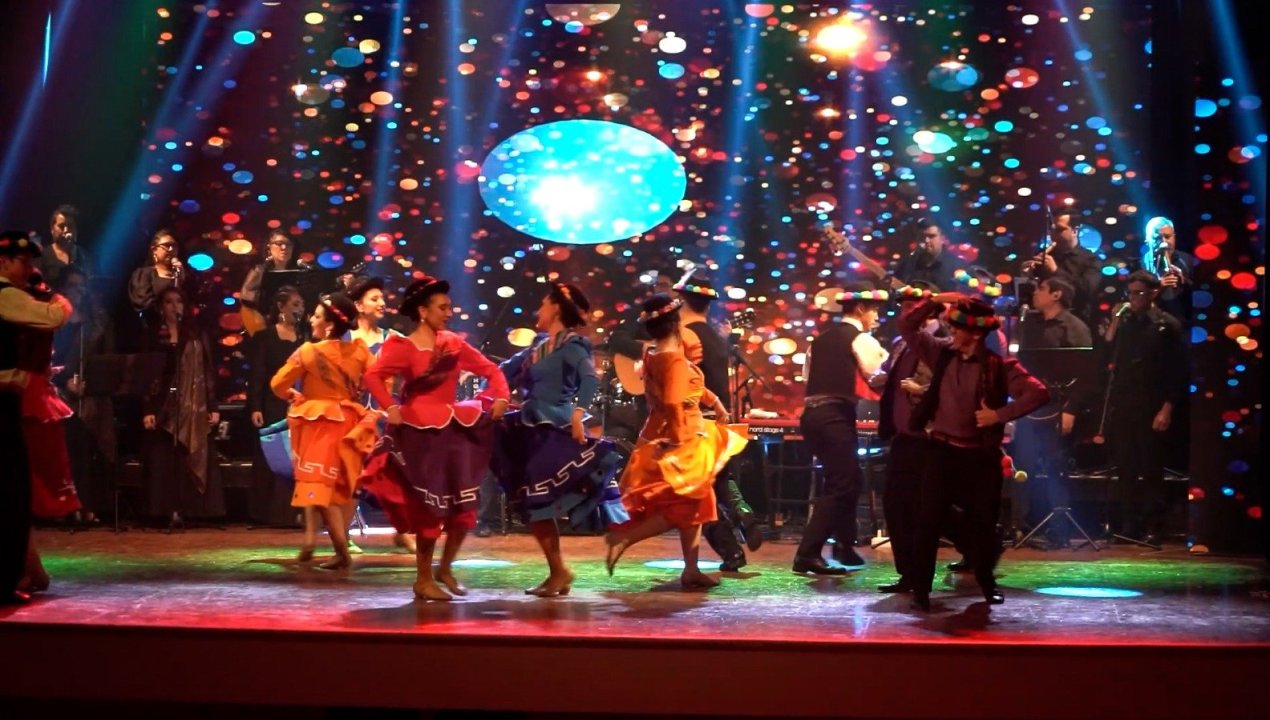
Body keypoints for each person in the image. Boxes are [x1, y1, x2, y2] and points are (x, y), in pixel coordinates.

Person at [359, 275, 510, 601]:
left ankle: (445, 568)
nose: (448, 313)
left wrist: (501, 395)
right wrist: (390, 407)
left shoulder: (451, 343)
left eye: (449, 307)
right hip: (420, 435)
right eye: (442, 307)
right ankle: (423, 578)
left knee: (463, 509)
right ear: (423, 311)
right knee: (429, 509)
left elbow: (491, 370)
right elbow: (372, 376)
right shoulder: (402, 348)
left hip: (451, 432)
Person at [899, 295, 1050, 610]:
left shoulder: (1000, 366)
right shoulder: (941, 354)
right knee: (928, 522)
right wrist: (934, 300)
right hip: (942, 451)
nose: (951, 332)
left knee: (983, 523)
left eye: (957, 327)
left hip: (979, 457)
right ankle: (921, 591)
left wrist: (999, 415)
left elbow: (1038, 393)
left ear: (976, 333)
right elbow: (908, 326)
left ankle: (986, 582)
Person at [603, 293, 748, 590]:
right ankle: (625, 537)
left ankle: (691, 568)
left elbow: (687, 388)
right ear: (674, 323)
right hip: (684, 435)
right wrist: (680, 439)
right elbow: (672, 400)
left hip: (665, 430)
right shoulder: (674, 360)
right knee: (682, 504)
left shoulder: (654, 354)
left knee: (697, 502)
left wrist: (715, 403)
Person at [491, 283, 626, 597]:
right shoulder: (538, 346)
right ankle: (558, 571)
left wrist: (579, 414)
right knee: (534, 504)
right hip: (530, 428)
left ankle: (560, 570)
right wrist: (494, 389)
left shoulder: (573, 344)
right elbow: (504, 371)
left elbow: (589, 379)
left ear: (555, 308)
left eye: (543, 304)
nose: (538, 310)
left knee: (538, 502)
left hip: (555, 428)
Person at [270, 292, 376, 569]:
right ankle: (337, 547)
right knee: (340, 489)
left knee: (319, 487)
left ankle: (340, 551)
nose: (311, 320)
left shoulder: (308, 351)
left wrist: (293, 395)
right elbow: (379, 379)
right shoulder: (361, 351)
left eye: (317, 316)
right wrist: (360, 393)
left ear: (329, 325)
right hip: (351, 423)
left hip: (320, 425)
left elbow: (278, 384)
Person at [792, 282, 890, 575]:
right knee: (842, 482)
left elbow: (808, 377)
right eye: (874, 311)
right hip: (834, 415)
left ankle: (845, 546)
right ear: (860, 309)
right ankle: (807, 554)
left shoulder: (819, 341)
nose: (876, 317)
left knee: (849, 478)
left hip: (814, 416)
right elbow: (876, 375)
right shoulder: (862, 339)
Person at [673, 267, 763, 571]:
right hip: (717, 419)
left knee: (695, 492)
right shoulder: (714, 337)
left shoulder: (685, 337)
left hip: (694, 420)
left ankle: (730, 550)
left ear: (681, 301)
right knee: (719, 479)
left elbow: (682, 381)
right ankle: (742, 511)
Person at [1, 231, 73, 605]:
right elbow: (51, 317)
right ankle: (8, 578)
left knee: (14, 489)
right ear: (3, 262)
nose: (29, 268)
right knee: (12, 491)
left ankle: (19, 571)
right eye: (23, 261)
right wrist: (58, 298)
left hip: (8, 400)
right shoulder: (6, 295)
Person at [1102, 270, 1187, 544]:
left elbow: (1177, 371)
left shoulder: (1167, 325)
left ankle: (1154, 525)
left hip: (1152, 403)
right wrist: (1116, 319)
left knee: (1151, 467)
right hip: (1125, 402)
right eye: (1130, 293)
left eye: (1138, 293)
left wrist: (1167, 408)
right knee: (1125, 466)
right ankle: (1129, 525)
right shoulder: (1126, 323)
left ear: (1153, 293)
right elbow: (1108, 349)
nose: (1133, 298)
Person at [1011, 275, 1093, 543]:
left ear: (1056, 295)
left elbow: (1085, 374)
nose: (1035, 293)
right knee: (1023, 464)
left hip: (1057, 407)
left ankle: (1059, 527)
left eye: (1042, 289)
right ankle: (1020, 524)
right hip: (1030, 406)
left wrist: (1071, 408)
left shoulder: (1074, 328)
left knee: (1056, 465)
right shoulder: (1030, 324)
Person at [140, 286, 225, 527]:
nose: (174, 306)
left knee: (189, 453)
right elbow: (146, 374)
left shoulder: (195, 335)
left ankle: (191, 510)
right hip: (163, 406)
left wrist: (212, 405)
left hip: (192, 405)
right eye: (169, 301)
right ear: (161, 307)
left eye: (178, 301)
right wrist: (148, 409)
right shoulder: (153, 335)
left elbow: (207, 370)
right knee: (165, 458)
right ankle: (165, 510)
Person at [18, 269, 80, 594]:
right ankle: (25, 564)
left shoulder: (24, 310)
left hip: (28, 398)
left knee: (23, 485)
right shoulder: (25, 307)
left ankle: (25, 564)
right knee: (22, 485)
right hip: (26, 398)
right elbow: (59, 312)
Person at [876, 283, 940, 594]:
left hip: (929, 437)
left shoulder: (943, 340)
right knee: (896, 505)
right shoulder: (902, 343)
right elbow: (887, 374)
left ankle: (920, 574)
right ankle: (908, 574)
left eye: (913, 305)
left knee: (922, 508)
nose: (906, 310)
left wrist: (921, 390)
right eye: (903, 305)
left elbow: (954, 387)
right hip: (904, 435)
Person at [344, 274, 414, 553]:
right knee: (352, 477)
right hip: (353, 419)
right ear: (359, 306)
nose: (382, 303)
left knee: (398, 474)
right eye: (374, 299)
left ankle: (402, 531)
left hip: (386, 420)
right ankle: (343, 534)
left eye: (382, 298)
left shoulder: (393, 339)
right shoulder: (343, 340)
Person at [52, 265, 116, 521]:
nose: (78, 291)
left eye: (82, 286)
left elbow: (106, 359)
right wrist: (64, 380)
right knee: (65, 453)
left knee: (89, 450)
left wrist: (90, 382)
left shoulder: (95, 322)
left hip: (90, 396)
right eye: (72, 285)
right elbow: (42, 359)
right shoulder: (52, 320)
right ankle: (64, 508)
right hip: (57, 394)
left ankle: (88, 505)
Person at [245, 285, 305, 527]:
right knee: (273, 456)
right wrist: (255, 407)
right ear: (281, 307)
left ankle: (293, 514)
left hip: (299, 405)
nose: (300, 310)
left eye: (302, 305)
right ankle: (266, 513)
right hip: (272, 404)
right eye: (295, 305)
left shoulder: (305, 338)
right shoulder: (266, 337)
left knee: (297, 458)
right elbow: (257, 375)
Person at [1021, 208, 1101, 321]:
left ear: (1074, 231)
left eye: (1059, 230)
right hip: (1043, 321)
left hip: (1076, 321)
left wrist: (1055, 271)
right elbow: (1032, 295)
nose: (1053, 234)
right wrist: (1027, 276)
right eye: (1052, 230)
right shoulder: (1044, 256)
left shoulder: (1091, 259)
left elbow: (1086, 291)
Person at [241, 230, 297, 335]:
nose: (284, 247)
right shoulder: (259, 271)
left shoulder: (298, 272)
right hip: (265, 327)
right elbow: (246, 302)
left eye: (288, 244)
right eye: (279, 243)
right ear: (269, 248)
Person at [1140, 216, 1194, 320]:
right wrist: (1159, 287)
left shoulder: (1187, 260)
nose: (1164, 243)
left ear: (1174, 237)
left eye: (1167, 237)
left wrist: (1184, 281)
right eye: (1157, 238)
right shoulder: (1140, 265)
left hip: (1182, 320)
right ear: (1147, 240)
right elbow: (1135, 300)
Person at [893, 221, 964, 292]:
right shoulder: (907, 264)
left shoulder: (958, 265)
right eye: (922, 236)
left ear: (943, 239)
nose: (926, 240)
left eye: (931, 236)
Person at [128, 229, 184, 314]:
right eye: (166, 245)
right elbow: (142, 303)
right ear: (154, 250)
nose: (171, 249)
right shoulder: (144, 274)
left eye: (174, 245)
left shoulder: (181, 274)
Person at [38, 205, 92, 285]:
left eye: (70, 226)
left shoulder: (86, 258)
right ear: (52, 229)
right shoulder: (41, 256)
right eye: (61, 226)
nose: (66, 230)